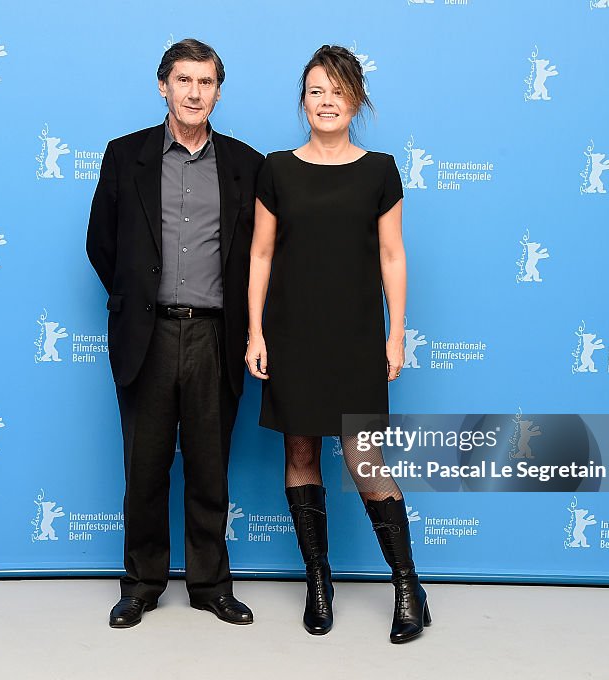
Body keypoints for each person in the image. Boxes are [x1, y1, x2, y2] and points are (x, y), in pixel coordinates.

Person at [245, 45, 430, 643]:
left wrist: (395, 333)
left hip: (355, 337)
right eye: (316, 90)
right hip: (293, 333)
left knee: (364, 462)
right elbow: (262, 254)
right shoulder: (276, 168)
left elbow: (393, 255)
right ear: (302, 100)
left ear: (357, 100)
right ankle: (318, 582)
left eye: (339, 91)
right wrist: (255, 330)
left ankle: (408, 587)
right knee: (299, 453)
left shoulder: (380, 169)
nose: (327, 101)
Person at [86, 38, 264, 629]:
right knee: (146, 466)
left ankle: (211, 585)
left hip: (217, 336)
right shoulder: (124, 156)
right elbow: (101, 243)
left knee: (211, 466)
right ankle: (140, 584)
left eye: (206, 82)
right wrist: (138, 296)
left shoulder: (246, 164)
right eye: (183, 80)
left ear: (218, 91)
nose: (194, 92)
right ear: (163, 85)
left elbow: (262, 254)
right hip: (149, 335)